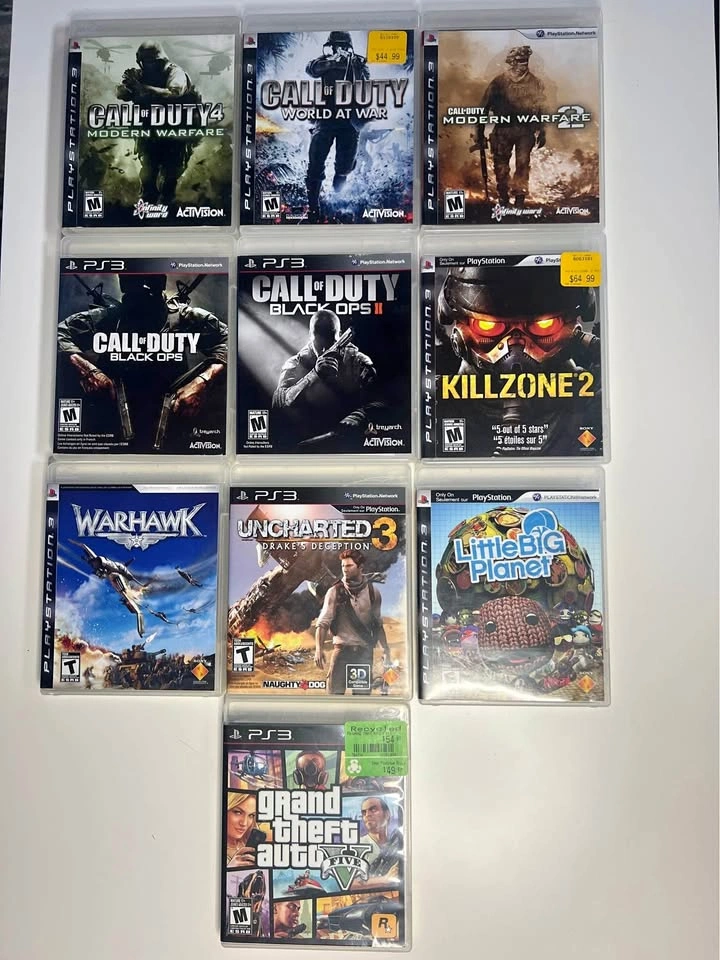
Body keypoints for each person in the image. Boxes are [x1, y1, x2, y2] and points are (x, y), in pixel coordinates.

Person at [57, 273, 227, 451]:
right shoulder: (108, 318)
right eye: (136, 284)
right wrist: (87, 371)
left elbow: (232, 340)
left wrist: (203, 382)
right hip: (114, 435)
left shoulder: (183, 317)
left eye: (150, 282)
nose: (144, 289)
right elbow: (58, 333)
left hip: (172, 433)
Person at [272, 309, 381, 451]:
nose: (324, 348)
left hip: (348, 442)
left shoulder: (358, 360)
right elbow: (278, 403)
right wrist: (314, 374)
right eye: (319, 338)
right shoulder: (295, 363)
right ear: (310, 335)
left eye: (330, 338)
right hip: (306, 440)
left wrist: (360, 416)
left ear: (339, 335)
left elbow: (382, 400)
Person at [116, 41, 201, 204]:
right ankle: (149, 201)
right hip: (151, 132)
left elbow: (174, 92)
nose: (149, 66)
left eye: (152, 62)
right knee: (148, 171)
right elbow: (121, 94)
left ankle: (168, 202)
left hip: (176, 131)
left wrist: (141, 87)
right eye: (145, 62)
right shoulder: (141, 75)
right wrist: (129, 86)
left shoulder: (175, 72)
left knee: (172, 172)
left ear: (160, 60)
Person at [304, 32, 370, 221]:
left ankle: (336, 198)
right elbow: (311, 69)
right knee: (315, 163)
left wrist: (351, 64)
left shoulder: (358, 63)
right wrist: (332, 62)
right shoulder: (323, 61)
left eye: (343, 46)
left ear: (349, 47)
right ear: (331, 47)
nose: (339, 49)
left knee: (344, 167)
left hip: (349, 121)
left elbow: (365, 83)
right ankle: (313, 208)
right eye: (336, 46)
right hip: (325, 119)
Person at [471, 45, 546, 206]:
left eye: (525, 60)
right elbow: (483, 109)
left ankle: (519, 199)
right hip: (503, 130)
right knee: (501, 165)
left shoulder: (535, 83)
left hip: (525, 130)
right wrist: (479, 133)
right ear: (512, 62)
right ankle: (503, 197)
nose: (523, 64)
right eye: (520, 60)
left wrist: (542, 131)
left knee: (523, 164)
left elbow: (541, 108)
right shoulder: (499, 82)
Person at [314, 551, 390, 695]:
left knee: (362, 697)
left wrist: (386, 650)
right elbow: (322, 623)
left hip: (364, 654)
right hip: (341, 652)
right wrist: (319, 649)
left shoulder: (373, 592)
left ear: (360, 567)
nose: (345, 569)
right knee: (334, 696)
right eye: (343, 566)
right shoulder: (334, 591)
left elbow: (378, 625)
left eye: (349, 566)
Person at [226, 793, 262, 868]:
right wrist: (230, 868)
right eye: (238, 812)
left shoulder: (252, 845)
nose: (244, 823)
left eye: (251, 815)